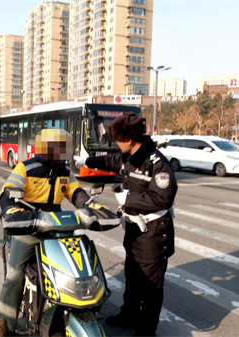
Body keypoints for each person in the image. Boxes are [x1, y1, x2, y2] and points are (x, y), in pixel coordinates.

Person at [74, 112, 177, 336]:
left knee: (151, 283)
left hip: (153, 231)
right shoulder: (131, 156)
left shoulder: (158, 165)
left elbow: (163, 198)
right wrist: (87, 160)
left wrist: (128, 198)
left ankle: (148, 328)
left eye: (118, 140)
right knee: (132, 274)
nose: (116, 144)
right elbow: (111, 161)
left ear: (129, 140)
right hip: (134, 229)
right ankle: (129, 313)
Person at [0, 128, 94, 337]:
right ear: (46, 148)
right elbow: (7, 193)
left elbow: (76, 193)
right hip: (29, 227)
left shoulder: (65, 171)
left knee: (77, 261)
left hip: (56, 227)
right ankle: (3, 325)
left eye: (64, 148)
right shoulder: (26, 168)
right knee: (15, 275)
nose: (63, 152)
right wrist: (11, 210)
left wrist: (90, 205)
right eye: (59, 148)